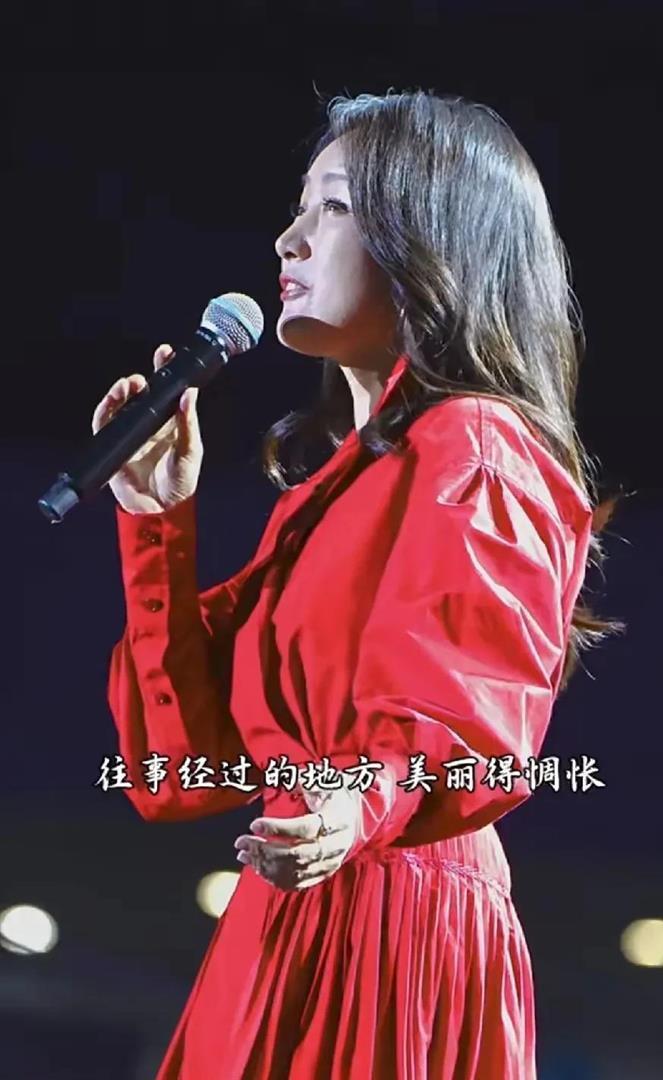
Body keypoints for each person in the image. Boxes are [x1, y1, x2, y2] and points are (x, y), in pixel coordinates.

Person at [97, 90, 624, 1079]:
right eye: (299, 206)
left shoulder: (474, 445)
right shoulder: (336, 489)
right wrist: (156, 524)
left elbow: (464, 722)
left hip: (389, 910)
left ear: (434, 236)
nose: (288, 239)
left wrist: (354, 800)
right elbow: (181, 765)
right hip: (292, 911)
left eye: (334, 206)